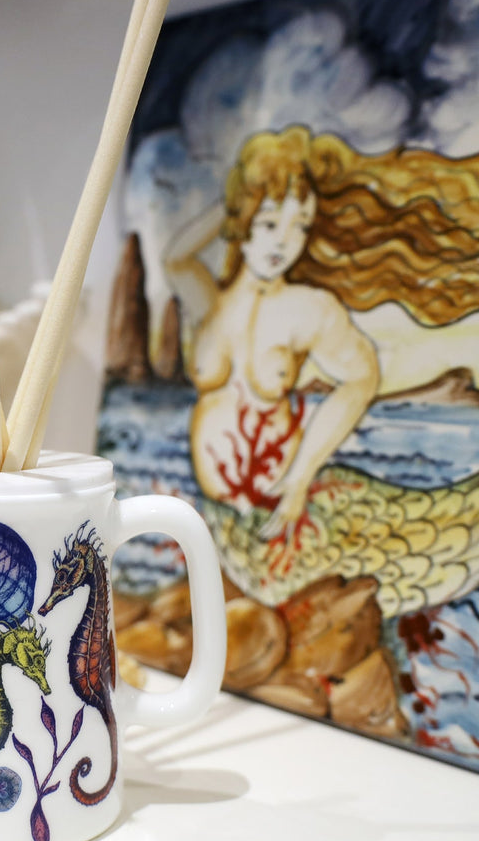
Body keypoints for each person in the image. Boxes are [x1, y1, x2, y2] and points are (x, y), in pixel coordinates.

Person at [164, 125, 479, 538]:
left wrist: (300, 477)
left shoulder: (308, 308)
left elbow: (362, 377)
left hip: (272, 512)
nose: (285, 243)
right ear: (244, 221)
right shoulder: (213, 304)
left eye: (301, 226)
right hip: (211, 519)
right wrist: (238, 196)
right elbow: (176, 259)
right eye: (271, 223)